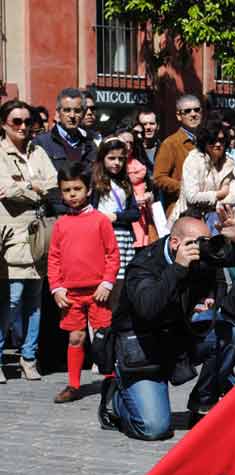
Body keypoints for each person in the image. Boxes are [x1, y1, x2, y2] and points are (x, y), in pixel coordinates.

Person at [108, 206, 235, 440]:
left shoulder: (198, 251)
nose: (204, 248)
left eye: (207, 241)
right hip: (144, 350)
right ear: (175, 244)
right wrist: (177, 269)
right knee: (153, 428)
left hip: (179, 338)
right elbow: (148, 309)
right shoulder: (143, 265)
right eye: (199, 243)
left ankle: (202, 403)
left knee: (229, 334)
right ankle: (117, 398)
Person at [48, 163, 119, 403]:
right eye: (67, 190)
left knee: (102, 338)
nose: (72, 194)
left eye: (77, 188)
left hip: (98, 291)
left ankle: (111, 381)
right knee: (75, 338)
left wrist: (107, 283)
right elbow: (54, 258)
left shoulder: (101, 220)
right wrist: (56, 287)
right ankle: (74, 385)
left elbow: (112, 254)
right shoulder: (60, 224)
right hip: (70, 294)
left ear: (88, 190)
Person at [0, 100, 58, 382]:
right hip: (10, 235)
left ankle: (29, 357)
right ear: (4, 124)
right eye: (16, 122)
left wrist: (25, 188)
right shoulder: (0, 151)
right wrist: (34, 188)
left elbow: (53, 182)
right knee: (10, 299)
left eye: (27, 122)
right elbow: (4, 190)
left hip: (39, 235)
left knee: (35, 300)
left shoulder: (38, 151)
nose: (23, 127)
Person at [89, 136, 141, 307]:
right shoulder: (96, 182)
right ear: (102, 158)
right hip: (102, 237)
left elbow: (135, 213)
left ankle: (115, 323)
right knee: (104, 280)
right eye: (111, 158)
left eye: (120, 158)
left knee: (120, 284)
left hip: (124, 238)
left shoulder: (125, 182)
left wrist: (117, 217)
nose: (116, 162)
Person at [172, 119, 235, 228]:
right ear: (205, 141)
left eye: (221, 140)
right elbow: (192, 197)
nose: (217, 144)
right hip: (191, 219)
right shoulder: (193, 159)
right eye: (212, 140)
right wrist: (219, 194)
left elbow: (234, 196)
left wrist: (217, 204)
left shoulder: (229, 162)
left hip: (219, 219)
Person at [153, 94, 203, 219]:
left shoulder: (206, 142)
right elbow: (158, 178)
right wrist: (184, 188)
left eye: (197, 110)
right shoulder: (170, 143)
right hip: (180, 211)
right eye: (187, 111)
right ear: (179, 116)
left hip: (204, 210)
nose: (193, 114)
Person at [34, 88, 98, 183]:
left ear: (83, 113)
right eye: (67, 110)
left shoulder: (91, 146)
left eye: (77, 111)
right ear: (58, 113)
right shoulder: (41, 143)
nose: (72, 115)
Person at [116, 128, 154, 246]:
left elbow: (151, 188)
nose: (128, 146)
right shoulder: (113, 167)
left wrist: (149, 195)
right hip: (121, 220)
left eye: (131, 143)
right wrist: (134, 201)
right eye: (124, 142)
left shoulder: (139, 164)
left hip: (141, 217)